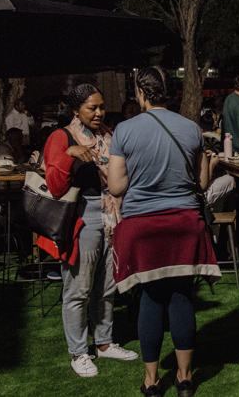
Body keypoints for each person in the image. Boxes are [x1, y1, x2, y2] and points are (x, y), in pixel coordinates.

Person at [108, 68, 220, 397]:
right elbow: (200, 184)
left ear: (140, 93)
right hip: (184, 224)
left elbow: (116, 186)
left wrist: (137, 173)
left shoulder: (125, 130)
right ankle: (185, 379)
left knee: (151, 299)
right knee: (181, 296)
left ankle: (152, 381)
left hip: (143, 226)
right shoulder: (191, 129)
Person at [42, 83, 137, 378]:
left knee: (108, 285)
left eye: (101, 106)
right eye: (91, 108)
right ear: (75, 110)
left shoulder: (108, 135)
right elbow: (56, 186)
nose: (98, 113)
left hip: (113, 215)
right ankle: (79, 352)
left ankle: (105, 343)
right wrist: (70, 155)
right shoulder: (61, 137)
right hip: (82, 214)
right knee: (78, 289)